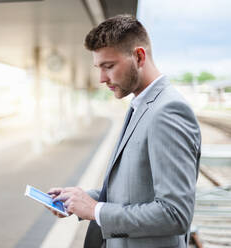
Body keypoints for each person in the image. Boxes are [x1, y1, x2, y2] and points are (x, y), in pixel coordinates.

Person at [46, 14, 201, 248]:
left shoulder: (168, 111)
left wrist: (96, 210)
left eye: (108, 66)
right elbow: (134, 191)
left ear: (139, 56)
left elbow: (174, 214)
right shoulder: (141, 105)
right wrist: (80, 199)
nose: (101, 78)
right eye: (98, 67)